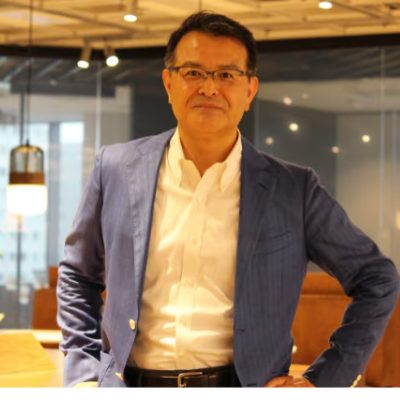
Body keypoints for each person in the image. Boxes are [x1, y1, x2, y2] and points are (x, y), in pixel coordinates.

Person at [57, 11, 399, 388]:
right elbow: (78, 276)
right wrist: (83, 375)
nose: (209, 88)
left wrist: (324, 380)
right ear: (169, 83)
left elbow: (377, 278)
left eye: (226, 75)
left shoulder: (293, 189)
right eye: (193, 72)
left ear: (249, 90)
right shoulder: (115, 169)